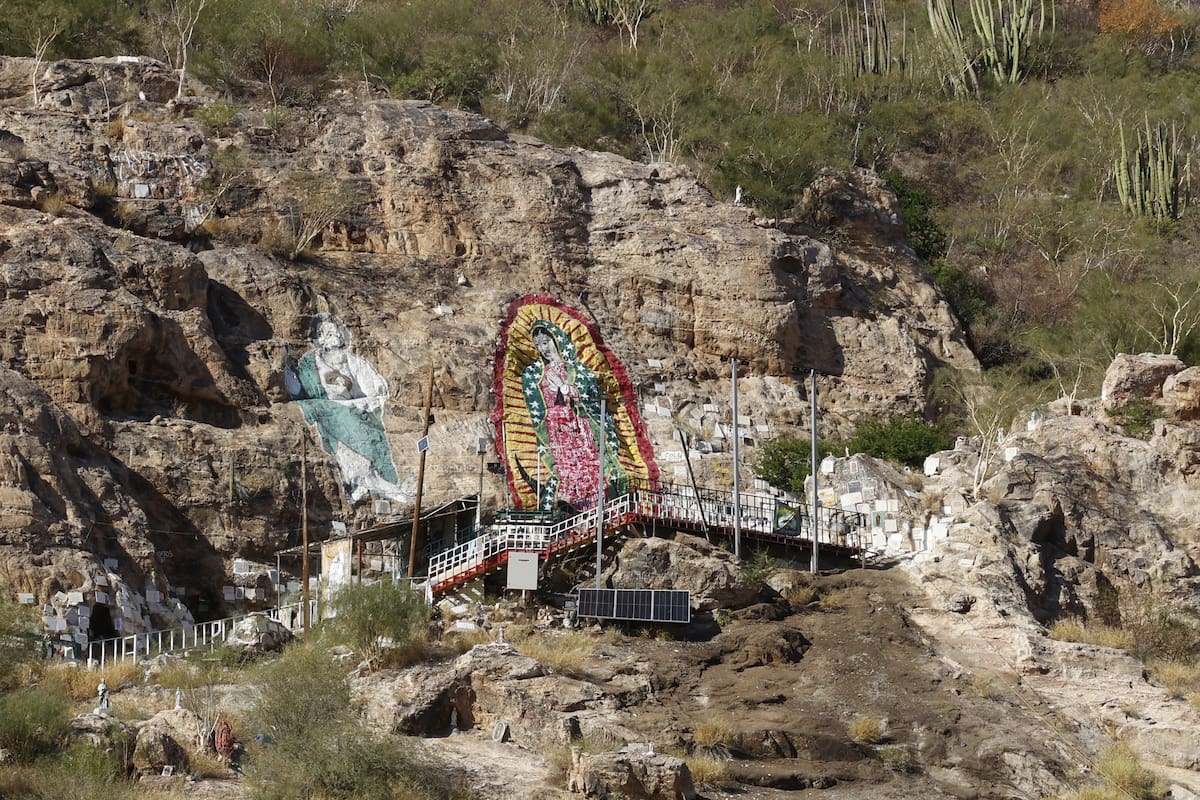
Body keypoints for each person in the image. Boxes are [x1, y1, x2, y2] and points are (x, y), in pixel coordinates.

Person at [284, 314, 412, 505]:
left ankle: (377, 482)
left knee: (362, 428)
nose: (330, 335)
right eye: (324, 332)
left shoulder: (353, 361)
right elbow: (299, 391)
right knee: (342, 423)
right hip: (329, 411)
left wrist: (361, 405)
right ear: (318, 339)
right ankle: (361, 481)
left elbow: (375, 390)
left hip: (357, 409)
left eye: (332, 330)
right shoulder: (310, 364)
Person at [521, 322, 626, 511]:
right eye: (539, 345)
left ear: (556, 339)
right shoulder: (537, 373)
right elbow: (536, 404)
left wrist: (567, 389)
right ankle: (571, 503)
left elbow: (591, 391)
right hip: (557, 426)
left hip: (578, 424)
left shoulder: (576, 369)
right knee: (566, 467)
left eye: (546, 342)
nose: (544, 348)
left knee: (588, 465)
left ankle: (597, 504)